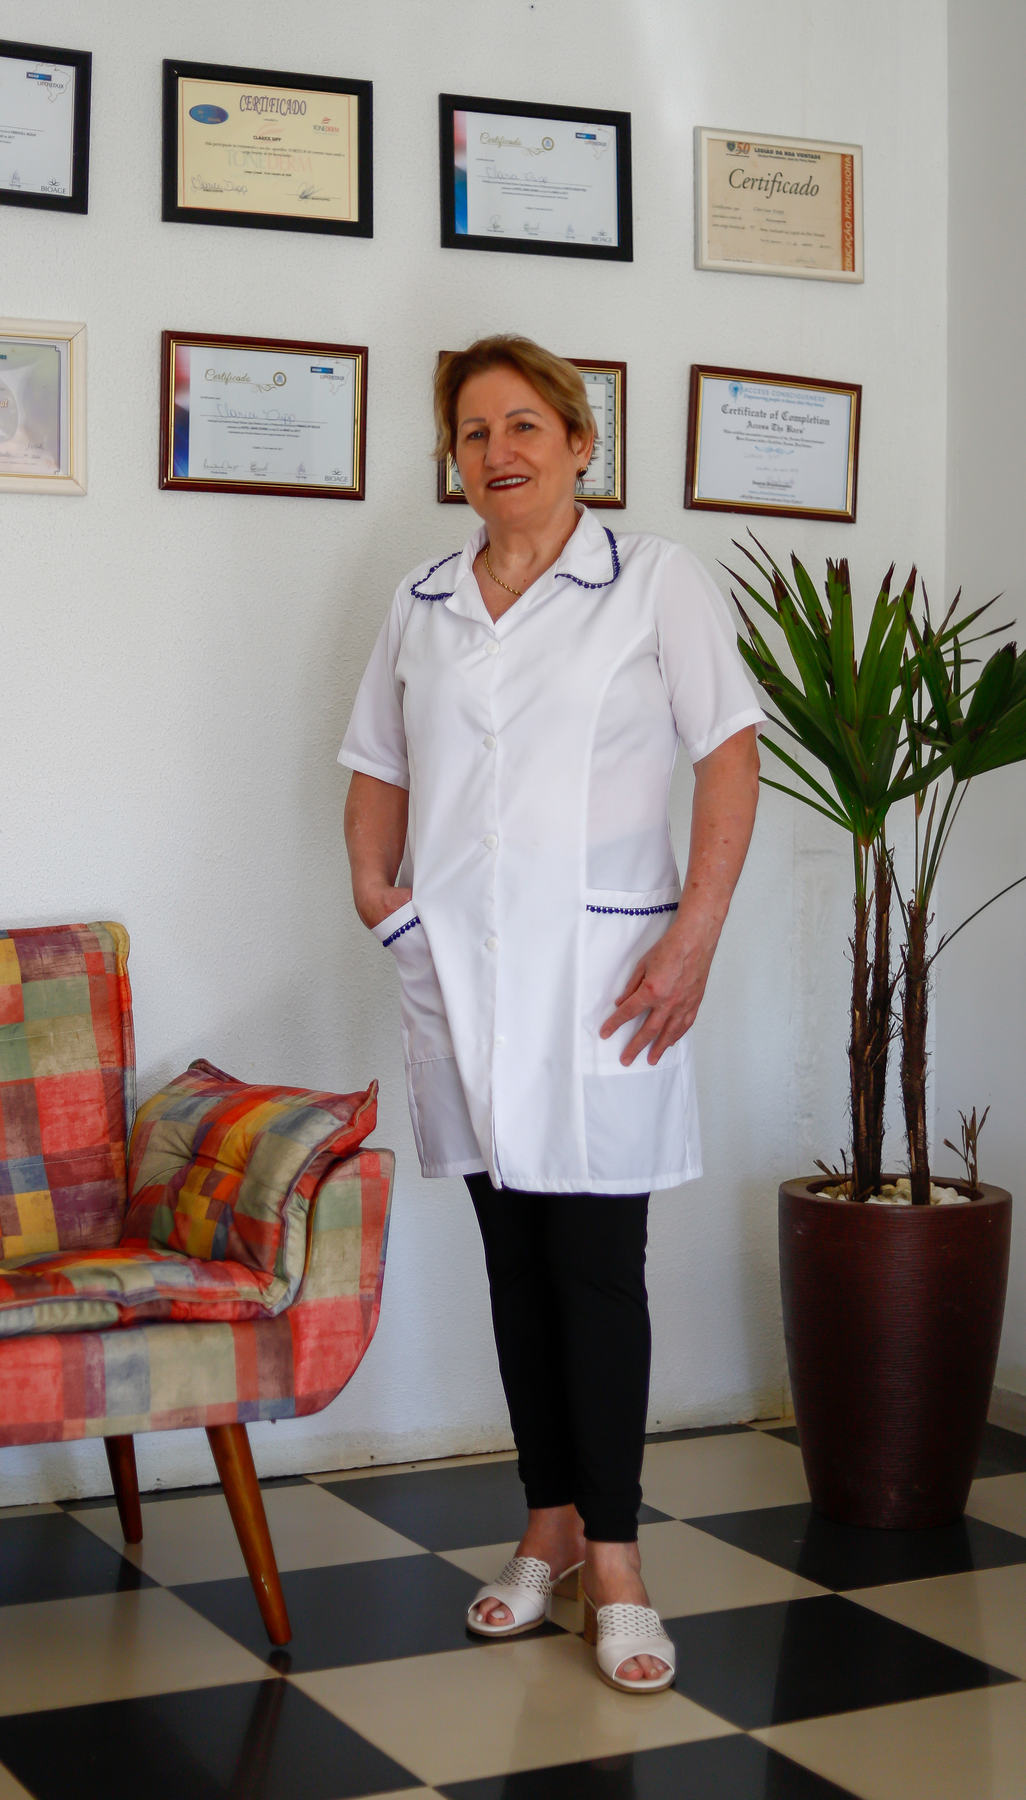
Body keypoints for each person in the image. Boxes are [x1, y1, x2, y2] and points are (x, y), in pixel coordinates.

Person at [339, 336, 762, 1693]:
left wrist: (695, 935)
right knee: (513, 1263)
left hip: (604, 980)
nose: (499, 451)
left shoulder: (654, 581)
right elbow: (376, 762)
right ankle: (549, 1527)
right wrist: (377, 894)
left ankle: (619, 1562)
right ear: (452, 460)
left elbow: (729, 755)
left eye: (525, 424)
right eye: (474, 432)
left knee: (594, 1265)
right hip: (460, 978)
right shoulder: (422, 601)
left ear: (582, 442)